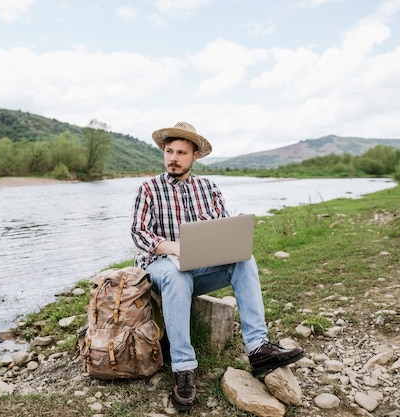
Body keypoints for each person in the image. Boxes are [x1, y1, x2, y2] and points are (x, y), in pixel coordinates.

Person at [130, 121, 305, 411]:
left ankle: (258, 348)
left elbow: (222, 228)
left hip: (199, 267)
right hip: (161, 267)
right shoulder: (148, 188)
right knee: (177, 273)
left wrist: (226, 242)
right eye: (169, 151)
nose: (173, 158)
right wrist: (176, 248)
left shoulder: (208, 187)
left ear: (195, 156)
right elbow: (139, 233)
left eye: (181, 153)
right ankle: (184, 369)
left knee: (244, 259)